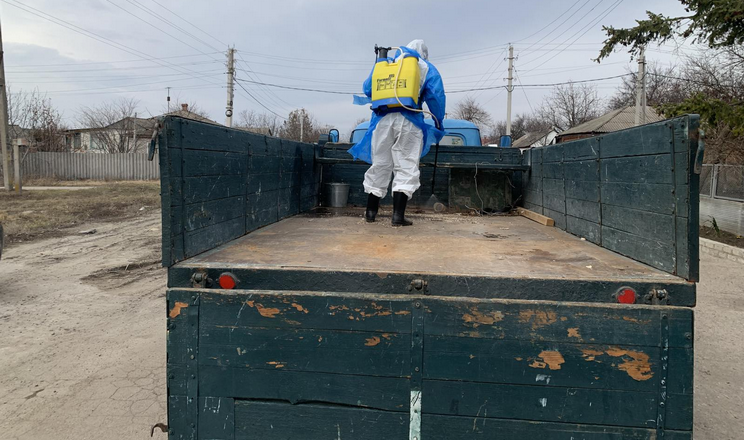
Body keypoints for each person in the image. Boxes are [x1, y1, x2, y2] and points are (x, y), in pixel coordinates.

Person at [349, 39, 446, 226]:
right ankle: (397, 216)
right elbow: (436, 96)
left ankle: (370, 213)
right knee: (406, 164)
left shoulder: (386, 64)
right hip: (410, 120)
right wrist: (438, 120)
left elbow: (368, 88)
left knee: (380, 164)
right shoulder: (425, 66)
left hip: (381, 121)